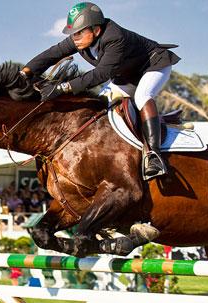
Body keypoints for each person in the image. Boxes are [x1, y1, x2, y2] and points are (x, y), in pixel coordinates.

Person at [21, 2, 180, 180]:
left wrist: (63, 87)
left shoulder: (115, 37)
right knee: (100, 105)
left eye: (79, 32)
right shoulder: (80, 38)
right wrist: (24, 73)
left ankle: (154, 156)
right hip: (127, 75)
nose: (75, 37)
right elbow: (51, 54)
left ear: (96, 30)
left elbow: (101, 74)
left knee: (143, 96)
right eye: (74, 33)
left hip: (153, 65)